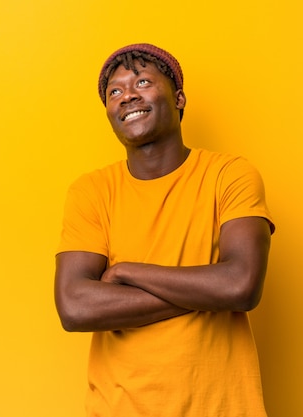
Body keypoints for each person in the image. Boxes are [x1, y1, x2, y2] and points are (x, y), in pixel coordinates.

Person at [54, 43, 275, 417]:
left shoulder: (229, 175)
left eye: (142, 81)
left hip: (220, 407)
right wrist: (208, 291)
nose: (128, 96)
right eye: (116, 91)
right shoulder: (91, 191)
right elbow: (75, 307)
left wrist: (127, 272)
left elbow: (241, 285)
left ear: (179, 98)